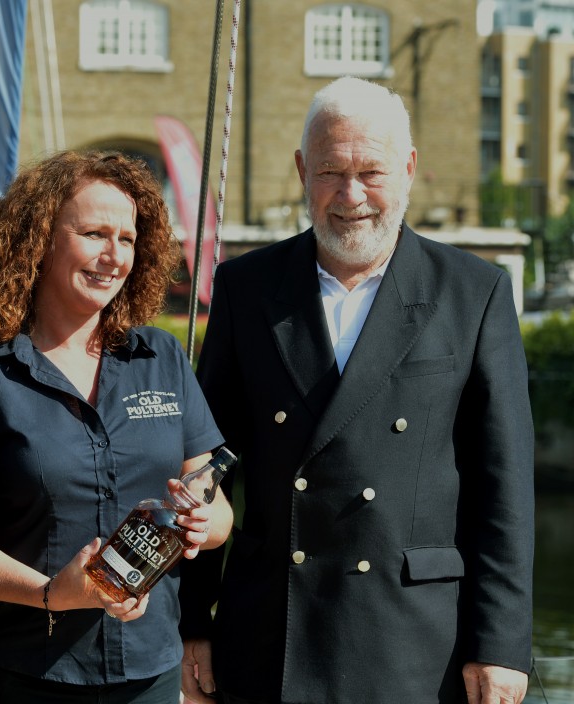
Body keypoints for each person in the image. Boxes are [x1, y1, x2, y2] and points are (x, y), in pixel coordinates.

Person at [179, 76, 535, 704]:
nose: (351, 197)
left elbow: (502, 485)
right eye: (330, 173)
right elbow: (205, 466)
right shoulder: (245, 288)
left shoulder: (473, 293)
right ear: (300, 171)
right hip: (271, 628)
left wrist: (500, 643)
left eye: (372, 172)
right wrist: (193, 624)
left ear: (409, 168)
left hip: (415, 639)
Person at [0, 150, 234, 703]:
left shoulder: (161, 358)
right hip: (22, 674)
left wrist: (201, 522)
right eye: (95, 233)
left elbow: (218, 511)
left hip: (149, 672)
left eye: (127, 238)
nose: (114, 255)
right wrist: (53, 593)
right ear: (41, 239)